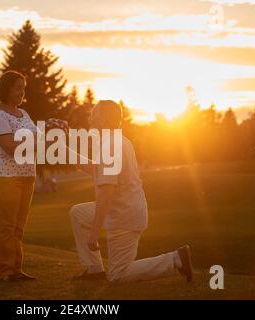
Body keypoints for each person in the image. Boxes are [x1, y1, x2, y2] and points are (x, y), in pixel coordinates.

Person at [69, 100, 193, 283]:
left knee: (118, 274)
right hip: (121, 210)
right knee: (79, 213)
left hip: (124, 216)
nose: (90, 118)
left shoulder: (110, 146)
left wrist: (94, 232)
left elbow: (106, 192)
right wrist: (65, 150)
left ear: (103, 119)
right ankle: (94, 270)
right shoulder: (115, 141)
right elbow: (97, 169)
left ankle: (175, 259)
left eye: (93, 114)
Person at [0, 70, 38, 282]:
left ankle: (17, 269)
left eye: (23, 88)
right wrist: (37, 142)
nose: (21, 92)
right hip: (6, 177)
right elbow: (10, 147)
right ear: (6, 89)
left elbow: (39, 139)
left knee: (18, 227)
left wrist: (48, 134)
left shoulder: (23, 114)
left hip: (27, 176)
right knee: (7, 226)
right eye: (18, 87)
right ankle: (7, 271)